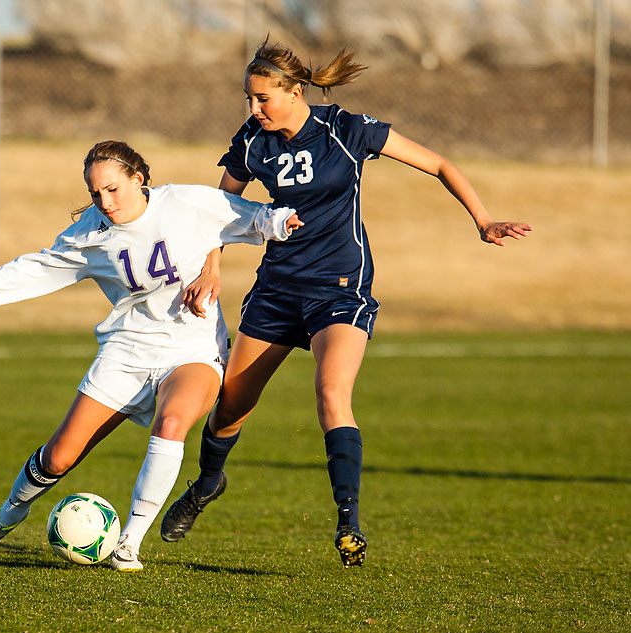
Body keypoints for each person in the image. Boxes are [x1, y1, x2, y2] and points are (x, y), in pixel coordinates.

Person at [160, 41, 533, 567]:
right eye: (248, 99)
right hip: (277, 288)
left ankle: (348, 523)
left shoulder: (346, 129)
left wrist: (483, 220)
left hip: (340, 285)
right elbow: (218, 210)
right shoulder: (251, 142)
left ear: (295, 92)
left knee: (332, 391)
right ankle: (206, 485)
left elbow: (439, 163)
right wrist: (211, 266)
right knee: (230, 405)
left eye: (263, 98)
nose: (253, 109)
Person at [0, 140, 301, 570]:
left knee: (172, 423)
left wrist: (285, 220)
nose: (105, 201)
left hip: (192, 349)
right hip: (126, 352)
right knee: (60, 455)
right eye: (96, 193)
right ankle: (7, 514)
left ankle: (129, 544)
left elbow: (254, 218)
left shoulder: (188, 203)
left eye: (113, 189)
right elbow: (32, 271)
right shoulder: (89, 232)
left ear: (139, 180)